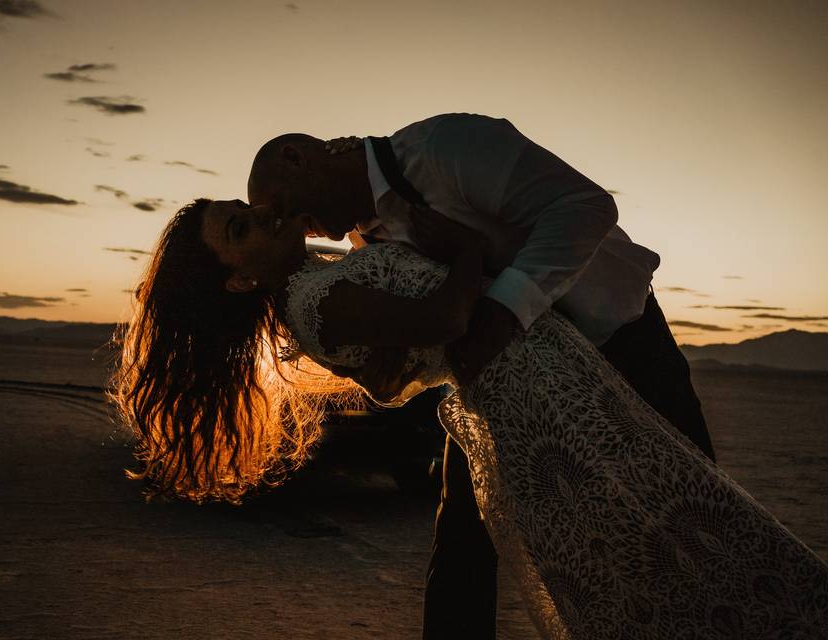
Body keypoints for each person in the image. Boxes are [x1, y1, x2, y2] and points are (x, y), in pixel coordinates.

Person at [111, 197, 827, 639]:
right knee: (661, 537)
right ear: (238, 276)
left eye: (246, 206)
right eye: (241, 226)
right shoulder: (311, 302)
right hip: (538, 402)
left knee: (658, 542)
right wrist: (462, 245)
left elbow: (400, 360)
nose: (264, 212)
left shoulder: (312, 283)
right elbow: (448, 313)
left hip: (539, 379)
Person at [246, 113, 715, 638]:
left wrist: (501, 313)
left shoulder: (447, 146)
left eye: (283, 208)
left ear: (297, 156)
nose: (292, 224)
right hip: (505, 383)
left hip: (623, 343)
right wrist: (392, 371)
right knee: (462, 541)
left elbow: (587, 208)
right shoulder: (365, 239)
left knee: (698, 515)